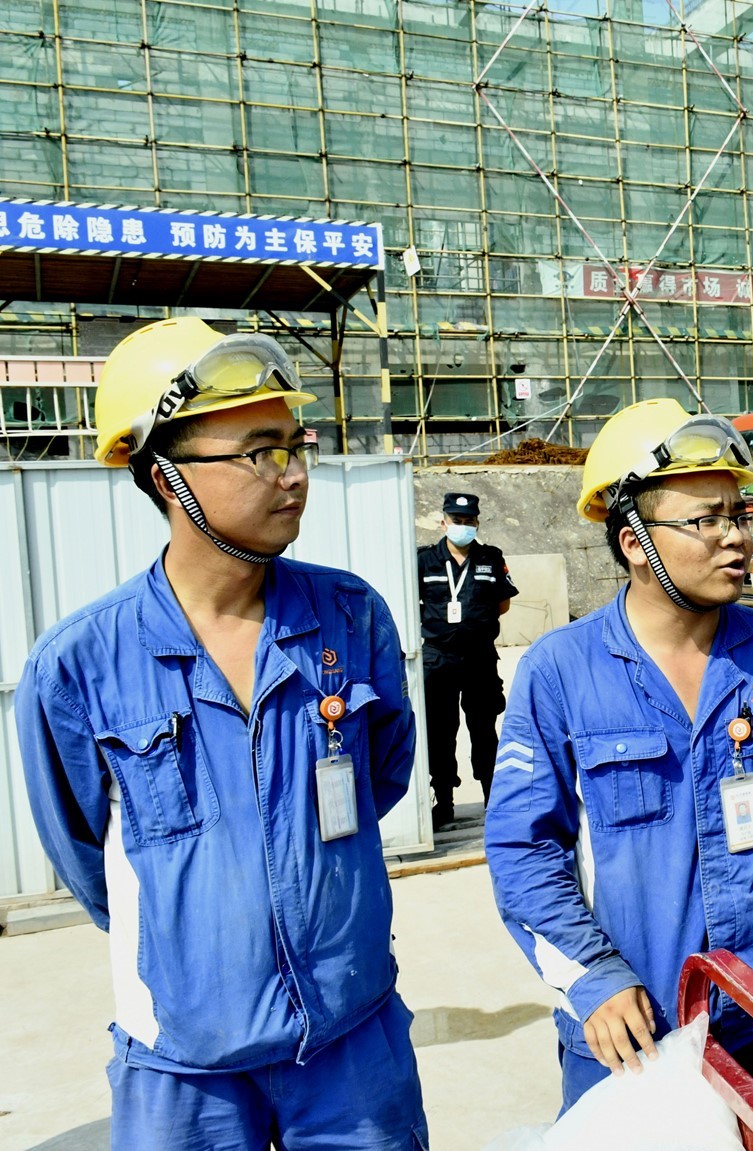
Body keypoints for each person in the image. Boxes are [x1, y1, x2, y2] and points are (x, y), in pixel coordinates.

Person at [17, 318, 426, 1149]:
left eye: (296, 444)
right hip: (183, 1067)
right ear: (164, 474)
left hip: (352, 1040)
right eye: (260, 452)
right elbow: (85, 856)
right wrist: (197, 940)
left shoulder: (350, 617)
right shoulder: (80, 663)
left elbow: (380, 778)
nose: (295, 473)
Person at [485, 398, 753, 1113]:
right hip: (628, 1035)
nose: (735, 537)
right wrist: (594, 978)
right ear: (634, 542)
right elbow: (523, 850)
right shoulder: (560, 670)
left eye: (738, 515)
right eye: (705, 520)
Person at [419, 491, 518, 829]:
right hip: (438, 659)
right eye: (456, 520)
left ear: (477, 522)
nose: (462, 525)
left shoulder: (491, 558)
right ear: (443, 522)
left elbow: (503, 603)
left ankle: (494, 799)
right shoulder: (424, 560)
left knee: (484, 730)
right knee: (440, 732)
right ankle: (444, 801)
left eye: (468, 520)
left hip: (479, 658)